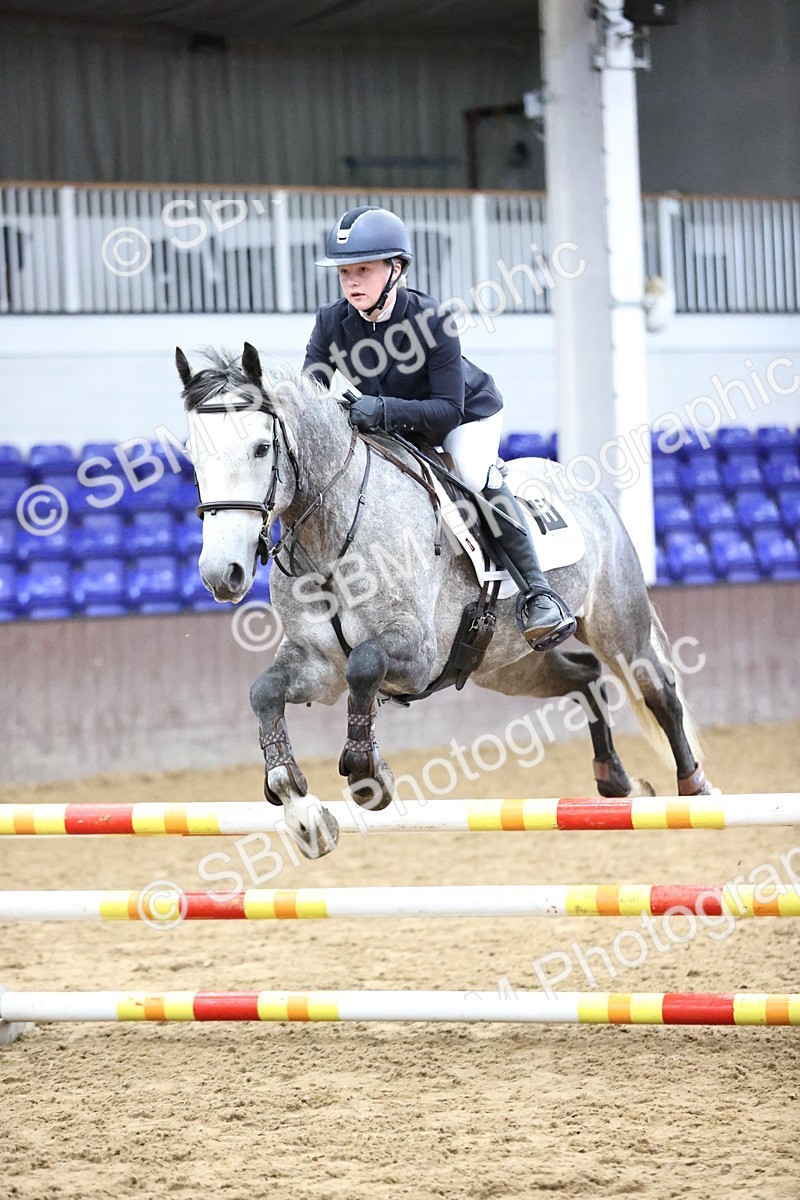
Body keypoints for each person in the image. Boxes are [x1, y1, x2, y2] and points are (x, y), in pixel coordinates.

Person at [303, 205, 576, 652]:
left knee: (473, 476)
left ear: (396, 269)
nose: (351, 281)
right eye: (344, 272)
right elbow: (311, 392)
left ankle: (539, 594)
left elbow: (449, 409)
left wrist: (382, 410)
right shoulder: (330, 322)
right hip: (391, 425)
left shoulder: (433, 320)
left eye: (363, 270)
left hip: (464, 417)